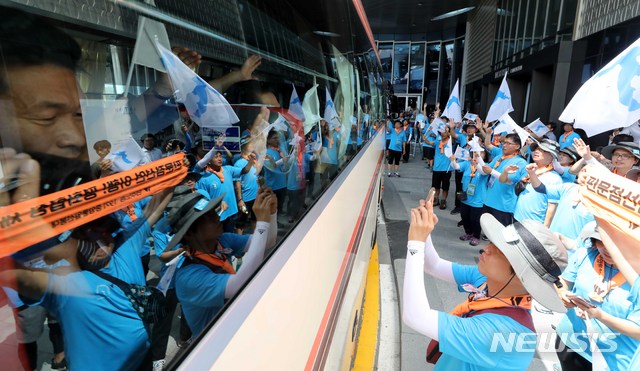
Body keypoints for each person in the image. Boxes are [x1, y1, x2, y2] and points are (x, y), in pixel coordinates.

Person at [402, 193, 568, 370]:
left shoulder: (506, 333)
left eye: (500, 250)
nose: (486, 249)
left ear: (522, 275)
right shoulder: (490, 281)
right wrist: (424, 232)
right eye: (493, 243)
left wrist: (416, 244)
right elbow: (433, 265)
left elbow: (415, 316)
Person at [169, 186, 278, 337]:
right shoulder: (188, 277)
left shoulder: (223, 240)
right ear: (189, 233)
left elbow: (267, 242)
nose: (216, 217)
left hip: (237, 328)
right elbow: (241, 284)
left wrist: (271, 213)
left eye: (213, 211)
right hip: (216, 343)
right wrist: (262, 223)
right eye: (206, 217)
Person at [555, 222, 640, 370]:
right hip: (571, 342)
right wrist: (562, 293)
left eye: (615, 243)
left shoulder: (636, 277)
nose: (606, 248)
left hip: (614, 359)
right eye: (601, 241)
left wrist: (599, 315)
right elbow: (563, 281)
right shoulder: (584, 255)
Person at [509, 139, 562, 224]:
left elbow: (552, 206)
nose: (537, 151)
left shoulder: (555, 178)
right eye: (537, 148)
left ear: (552, 156)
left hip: (534, 224)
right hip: (517, 217)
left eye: (542, 150)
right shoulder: (532, 169)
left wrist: (545, 229)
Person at [481, 133, 528, 226]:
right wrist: (478, 159)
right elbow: (485, 171)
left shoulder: (520, 162)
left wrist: (492, 171)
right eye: (503, 143)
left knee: (501, 235)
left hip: (503, 205)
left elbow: (509, 181)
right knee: (489, 232)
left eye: (508, 143)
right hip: (489, 200)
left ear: (517, 146)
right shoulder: (500, 157)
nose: (504, 145)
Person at [431, 125, 453, 209]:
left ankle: (443, 200)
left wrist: (451, 128)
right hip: (437, 167)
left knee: (445, 186)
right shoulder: (438, 141)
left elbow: (453, 136)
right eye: (443, 131)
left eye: (446, 131)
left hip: (446, 168)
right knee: (435, 185)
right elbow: (429, 142)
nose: (444, 133)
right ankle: (436, 199)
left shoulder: (451, 142)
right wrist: (425, 137)